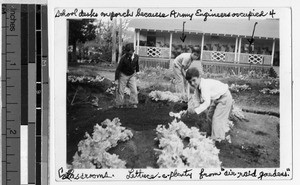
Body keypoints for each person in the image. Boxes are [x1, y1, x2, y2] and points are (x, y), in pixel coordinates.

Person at [184, 67, 233, 142]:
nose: (192, 83)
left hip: (224, 98)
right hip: (218, 99)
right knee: (210, 115)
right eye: (190, 82)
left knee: (217, 119)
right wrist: (192, 107)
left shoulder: (204, 86)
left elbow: (207, 103)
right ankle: (211, 134)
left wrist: (196, 110)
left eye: (194, 80)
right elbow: (196, 97)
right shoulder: (198, 86)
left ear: (199, 77)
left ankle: (217, 139)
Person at [115, 44, 139, 108]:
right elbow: (118, 69)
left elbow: (137, 65)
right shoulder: (123, 58)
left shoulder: (136, 57)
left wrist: (138, 73)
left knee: (134, 90)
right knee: (121, 90)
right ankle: (120, 104)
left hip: (132, 75)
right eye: (127, 53)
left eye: (130, 53)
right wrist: (116, 79)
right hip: (123, 75)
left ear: (133, 51)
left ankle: (133, 103)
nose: (129, 54)